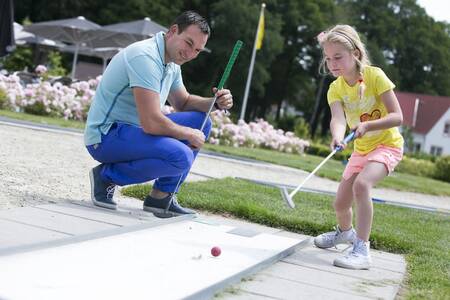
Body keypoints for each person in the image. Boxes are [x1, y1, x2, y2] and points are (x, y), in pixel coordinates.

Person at [84, 11, 233, 216]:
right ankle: (107, 176)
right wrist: (188, 135)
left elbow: (183, 102)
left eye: (197, 50)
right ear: (173, 31)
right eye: (188, 43)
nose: (190, 54)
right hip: (105, 137)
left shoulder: (171, 62)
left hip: (133, 132)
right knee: (180, 157)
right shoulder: (145, 57)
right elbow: (152, 123)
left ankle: (161, 198)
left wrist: (214, 103)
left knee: (202, 121)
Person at [313, 25, 404, 270]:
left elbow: (398, 116)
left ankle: (362, 249)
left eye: (338, 57)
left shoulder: (375, 76)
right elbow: (338, 119)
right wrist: (337, 136)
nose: (332, 64)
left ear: (355, 53)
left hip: (387, 145)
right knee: (340, 204)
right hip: (361, 149)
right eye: (328, 58)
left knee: (362, 185)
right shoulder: (335, 88)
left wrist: (369, 125)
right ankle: (345, 233)